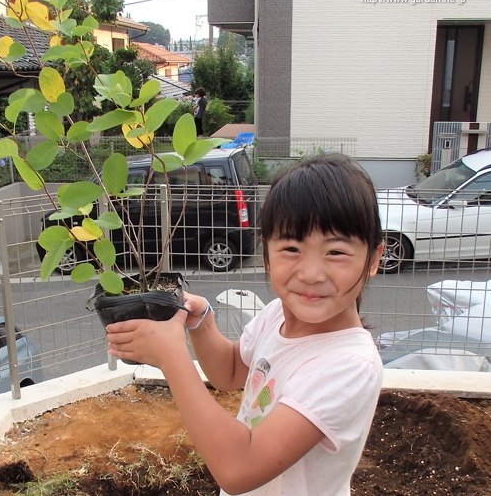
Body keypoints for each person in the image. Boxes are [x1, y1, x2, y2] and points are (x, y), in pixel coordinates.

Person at [106, 153, 385, 495]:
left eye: (336, 252)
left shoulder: (348, 366)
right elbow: (232, 372)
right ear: (266, 255)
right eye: (291, 248)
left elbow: (238, 469)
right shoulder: (278, 315)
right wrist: (202, 323)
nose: (311, 274)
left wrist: (172, 357)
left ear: (373, 259)